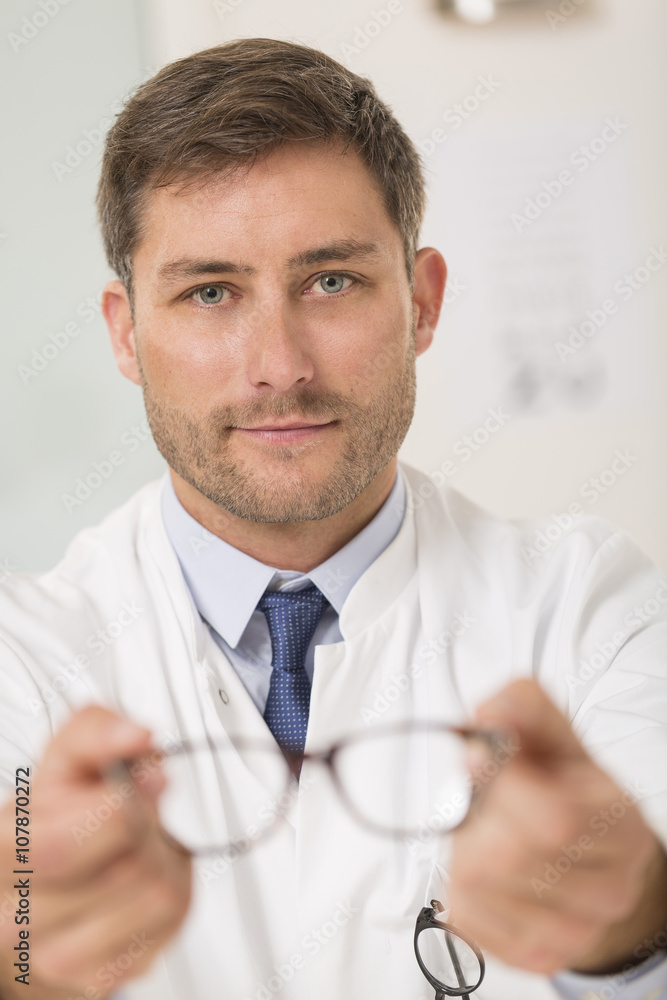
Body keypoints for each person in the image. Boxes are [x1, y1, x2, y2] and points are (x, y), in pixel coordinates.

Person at [0, 36, 666, 1000]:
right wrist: (19, 956)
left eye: (331, 281)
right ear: (126, 334)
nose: (278, 364)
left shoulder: (588, 611)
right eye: (210, 292)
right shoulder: (22, 661)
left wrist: (632, 918)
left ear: (422, 302)